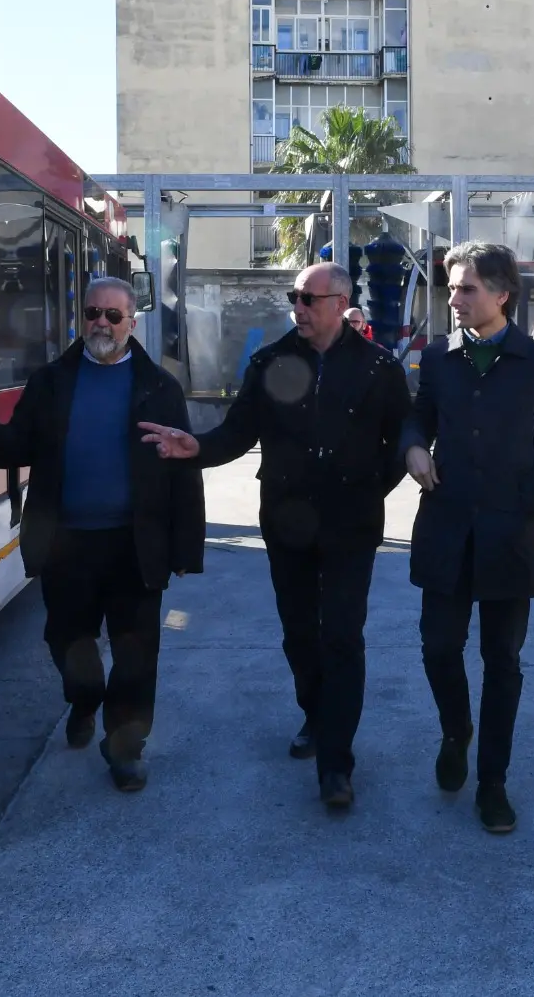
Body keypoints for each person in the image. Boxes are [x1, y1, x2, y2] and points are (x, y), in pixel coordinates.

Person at [140, 262, 412, 810]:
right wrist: (195, 449)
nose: (299, 307)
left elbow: (399, 440)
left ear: (341, 302)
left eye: (310, 298)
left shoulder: (379, 369)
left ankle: (337, 762)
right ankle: (316, 712)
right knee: (298, 633)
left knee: (342, 635)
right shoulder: (270, 362)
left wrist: (367, 491)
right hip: (286, 523)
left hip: (350, 527)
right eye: (295, 296)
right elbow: (238, 434)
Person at [0, 278, 205, 793]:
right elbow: (20, 443)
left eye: (113, 316)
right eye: (93, 313)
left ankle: (126, 748)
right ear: (80, 317)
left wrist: (184, 548)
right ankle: (84, 701)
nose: (101, 324)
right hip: (67, 544)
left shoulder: (160, 388)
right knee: (71, 647)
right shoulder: (52, 382)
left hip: (135, 545)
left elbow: (182, 473)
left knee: (136, 655)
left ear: (133, 323)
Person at [401, 242, 534, 834]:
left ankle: (493, 783)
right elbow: (419, 416)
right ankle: (455, 729)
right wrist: (413, 445)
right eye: (452, 288)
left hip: (511, 532)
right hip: (445, 529)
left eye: (466, 288)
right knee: (438, 647)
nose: (455, 299)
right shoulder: (439, 359)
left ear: (501, 293)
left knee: (503, 662)